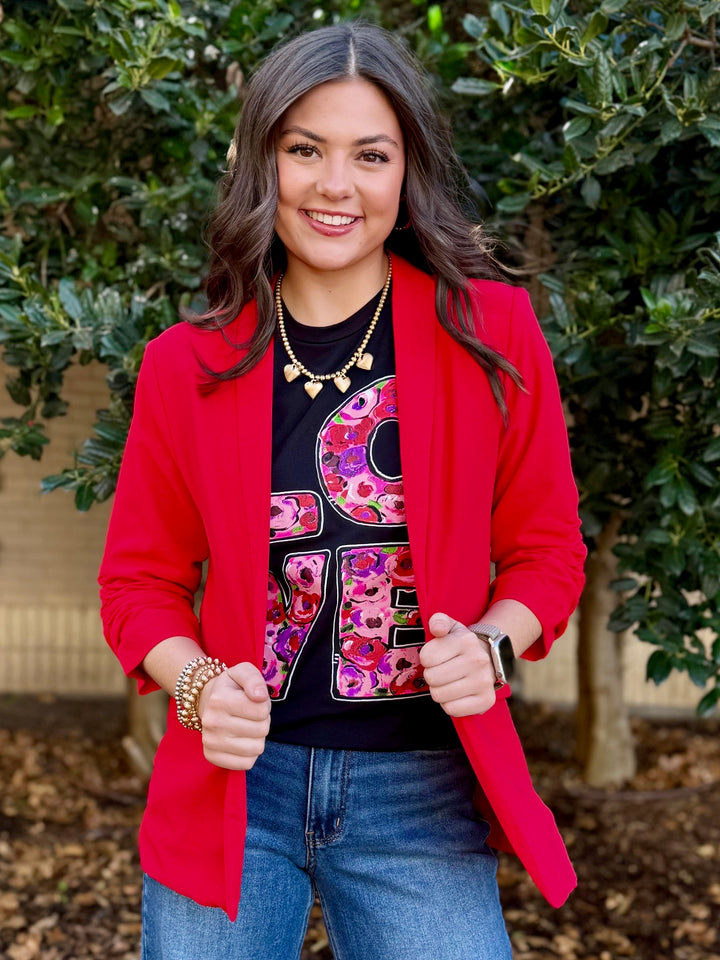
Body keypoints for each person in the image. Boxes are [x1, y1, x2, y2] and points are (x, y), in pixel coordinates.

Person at [99, 20, 586, 960]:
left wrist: (492, 643)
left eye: (371, 154)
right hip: (239, 786)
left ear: (407, 172)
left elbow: (547, 553)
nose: (335, 185)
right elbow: (138, 586)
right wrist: (199, 685)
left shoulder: (493, 332)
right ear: (263, 162)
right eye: (304, 150)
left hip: (423, 792)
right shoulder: (184, 364)